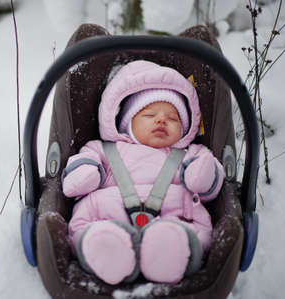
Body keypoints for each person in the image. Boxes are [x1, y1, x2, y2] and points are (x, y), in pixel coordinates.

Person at [61, 60, 225, 285]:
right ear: (127, 122)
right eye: (149, 115)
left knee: (177, 235)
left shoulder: (190, 153)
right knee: (96, 232)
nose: (161, 120)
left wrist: (202, 174)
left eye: (173, 118)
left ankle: (168, 253)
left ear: (185, 128)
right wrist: (86, 173)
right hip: (107, 217)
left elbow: (210, 183)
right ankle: (108, 251)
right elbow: (81, 165)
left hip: (173, 218)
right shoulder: (103, 150)